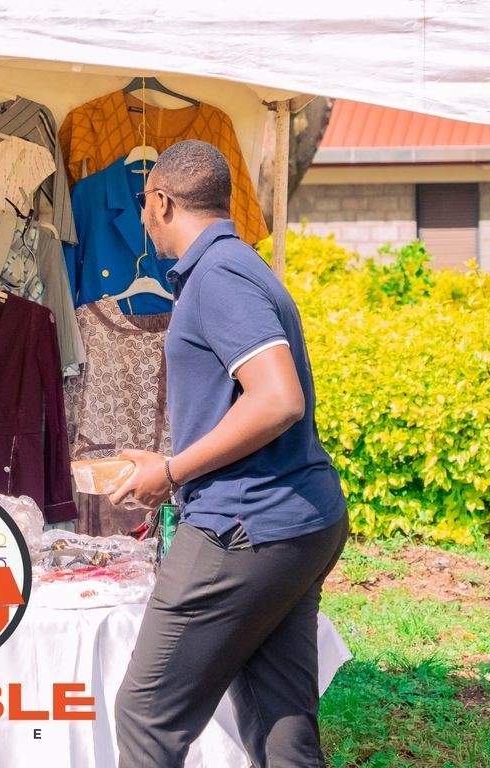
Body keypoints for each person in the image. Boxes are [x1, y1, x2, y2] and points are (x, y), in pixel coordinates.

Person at [108, 139, 349, 768]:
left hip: (242, 527)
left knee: (146, 716)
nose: (141, 216)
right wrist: (172, 459)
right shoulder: (238, 265)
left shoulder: (218, 277)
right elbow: (243, 401)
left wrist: (173, 471)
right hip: (293, 519)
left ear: (160, 200)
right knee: (279, 723)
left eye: (144, 204)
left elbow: (276, 399)